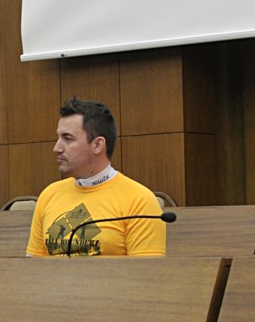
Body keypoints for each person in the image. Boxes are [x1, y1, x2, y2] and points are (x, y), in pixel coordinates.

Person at [26, 98, 167, 257]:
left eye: (67, 138)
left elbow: (145, 271)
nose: (56, 148)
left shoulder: (139, 201)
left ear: (98, 145)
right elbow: (33, 266)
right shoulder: (49, 195)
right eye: (58, 138)